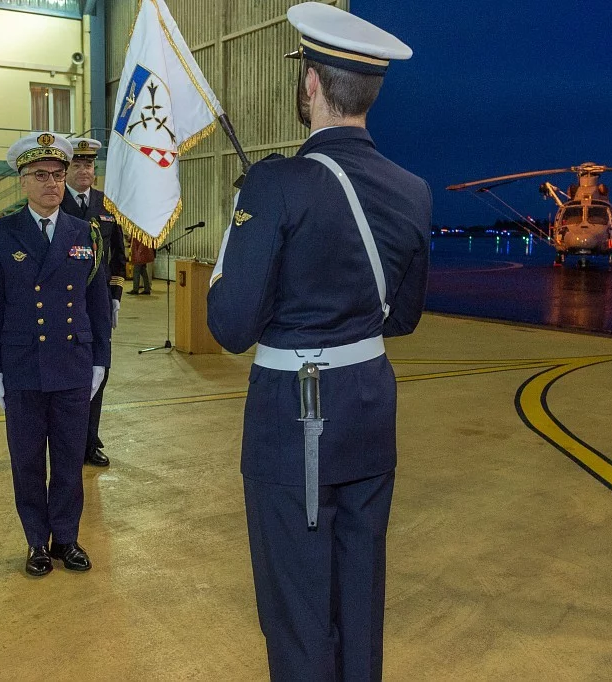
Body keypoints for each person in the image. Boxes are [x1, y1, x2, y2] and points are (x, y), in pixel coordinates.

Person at [206, 4, 431, 677]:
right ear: (372, 90)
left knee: (299, 610)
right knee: (359, 600)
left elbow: (230, 327)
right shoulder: (413, 190)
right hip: (367, 408)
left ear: (309, 84)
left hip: (291, 418)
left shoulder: (277, 183)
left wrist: (232, 252)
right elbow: (404, 317)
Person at [0, 132, 112, 576]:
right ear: (23, 181)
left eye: (58, 174)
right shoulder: (0, 233)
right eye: (41, 175)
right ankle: (37, 540)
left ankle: (66, 538)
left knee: (71, 460)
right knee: (28, 460)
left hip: (73, 364)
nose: (52, 183)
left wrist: (100, 360)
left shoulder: (84, 232)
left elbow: (96, 302)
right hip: (23, 366)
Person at [59, 137, 126, 467]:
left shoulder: (107, 205)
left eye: (89, 164)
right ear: (66, 169)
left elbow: (119, 257)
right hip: (65, 302)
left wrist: (115, 297)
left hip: (98, 304)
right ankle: (66, 440)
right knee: (68, 370)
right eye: (78, 164)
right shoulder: (55, 202)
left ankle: (89, 441)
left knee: (100, 369)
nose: (84, 169)